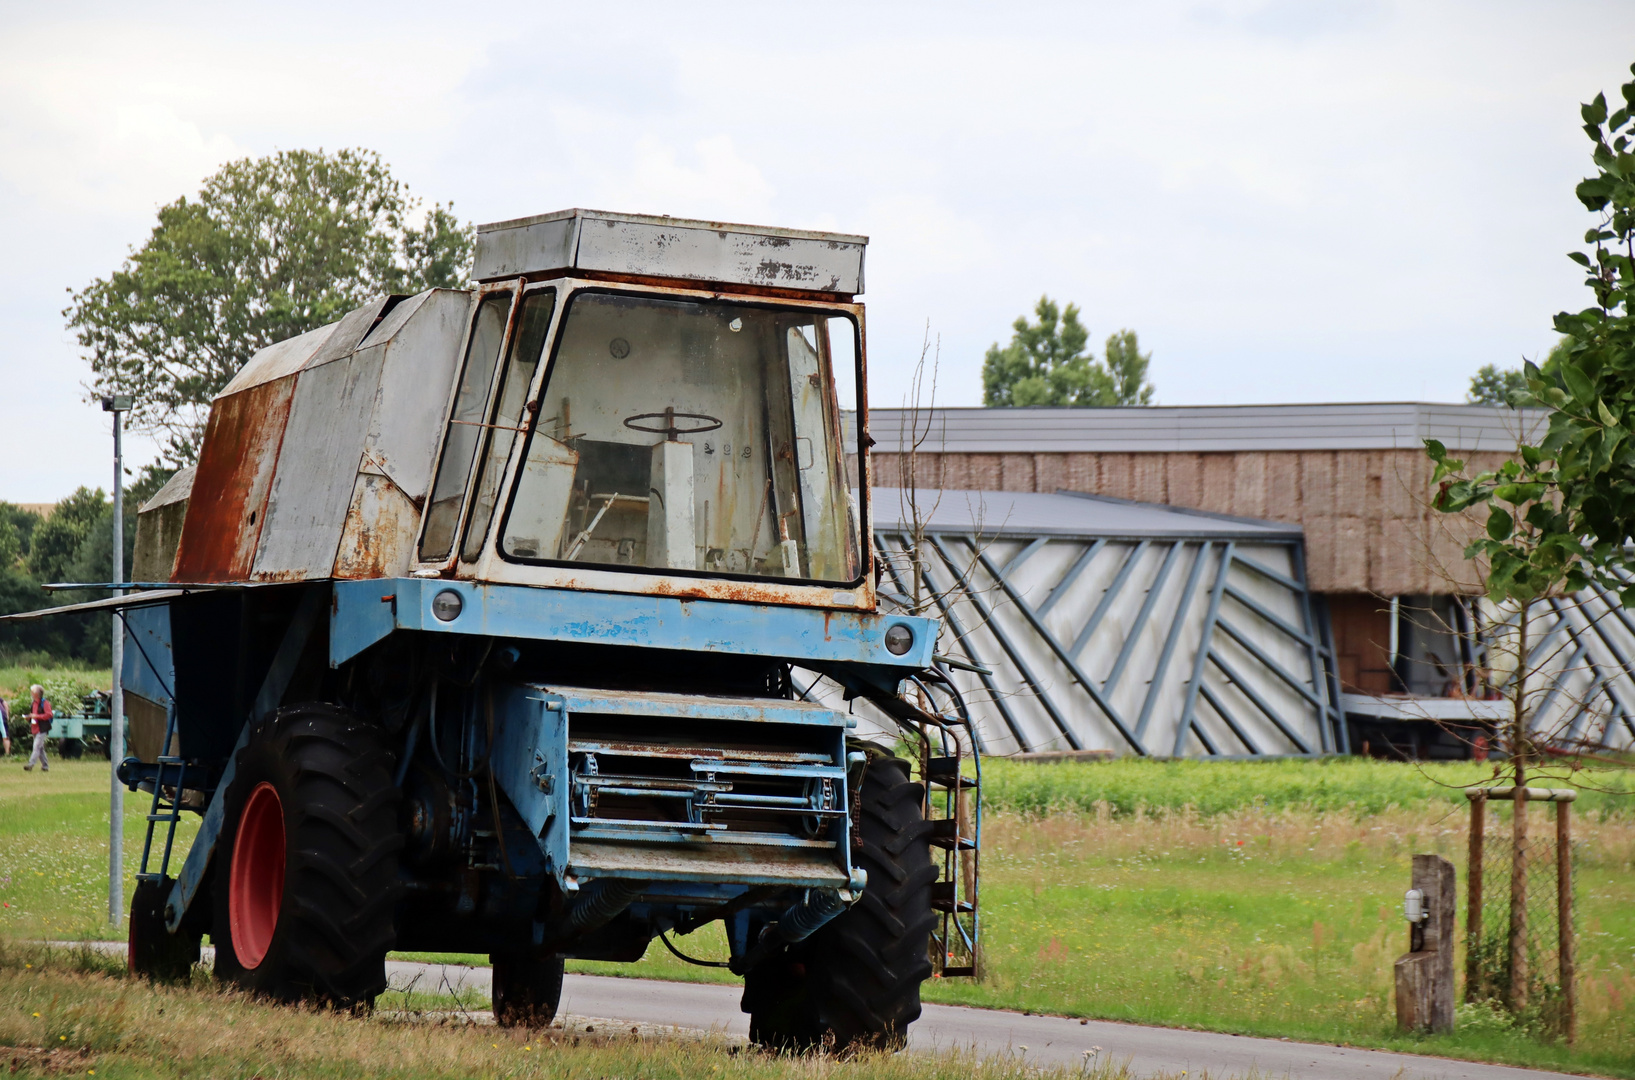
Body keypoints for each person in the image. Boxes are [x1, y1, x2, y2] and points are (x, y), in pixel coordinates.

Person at [25, 684, 51, 772]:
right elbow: (33, 714)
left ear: (36, 693)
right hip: (35, 728)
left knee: (36, 746)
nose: (31, 693)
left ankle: (30, 764)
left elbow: (49, 714)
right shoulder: (34, 703)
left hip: (42, 728)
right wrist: (29, 717)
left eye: (32, 691)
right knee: (40, 748)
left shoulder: (45, 703)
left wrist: (36, 716)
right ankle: (45, 766)